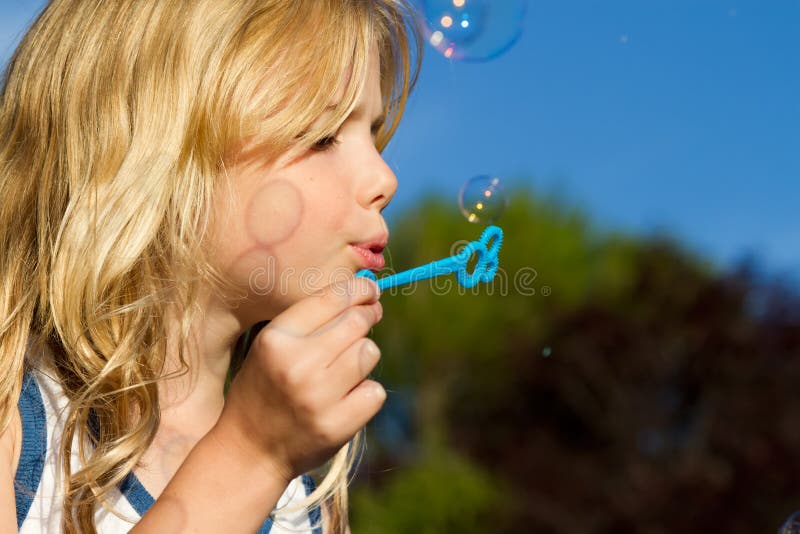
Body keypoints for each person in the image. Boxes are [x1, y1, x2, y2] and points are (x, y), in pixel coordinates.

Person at [0, 0, 421, 532]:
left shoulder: (302, 507)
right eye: (322, 135)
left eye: (374, 133)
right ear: (153, 152)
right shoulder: (15, 421)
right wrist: (250, 456)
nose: (385, 178)